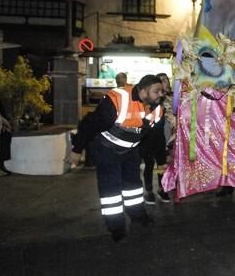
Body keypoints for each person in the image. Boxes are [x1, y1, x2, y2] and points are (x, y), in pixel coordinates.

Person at [70, 74, 165, 242]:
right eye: (156, 91)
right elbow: (90, 124)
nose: (160, 95)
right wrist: (77, 150)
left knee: (134, 187)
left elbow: (154, 137)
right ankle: (116, 227)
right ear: (143, 91)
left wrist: (161, 158)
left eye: (162, 91)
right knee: (111, 190)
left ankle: (138, 216)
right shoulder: (118, 99)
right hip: (107, 150)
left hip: (130, 151)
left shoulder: (157, 108)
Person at [141, 73, 172, 205]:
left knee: (162, 165)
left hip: (162, 137)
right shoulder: (149, 100)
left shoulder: (171, 98)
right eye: (161, 81)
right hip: (147, 138)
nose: (163, 83)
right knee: (148, 165)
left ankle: (162, 189)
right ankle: (149, 191)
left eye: (165, 80)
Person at [0, 95, 12, 176]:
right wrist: (6, 123)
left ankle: (1, 165)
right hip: (0, 124)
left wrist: (5, 124)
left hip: (1, 125)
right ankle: (0, 167)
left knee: (5, 139)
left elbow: (1, 112)